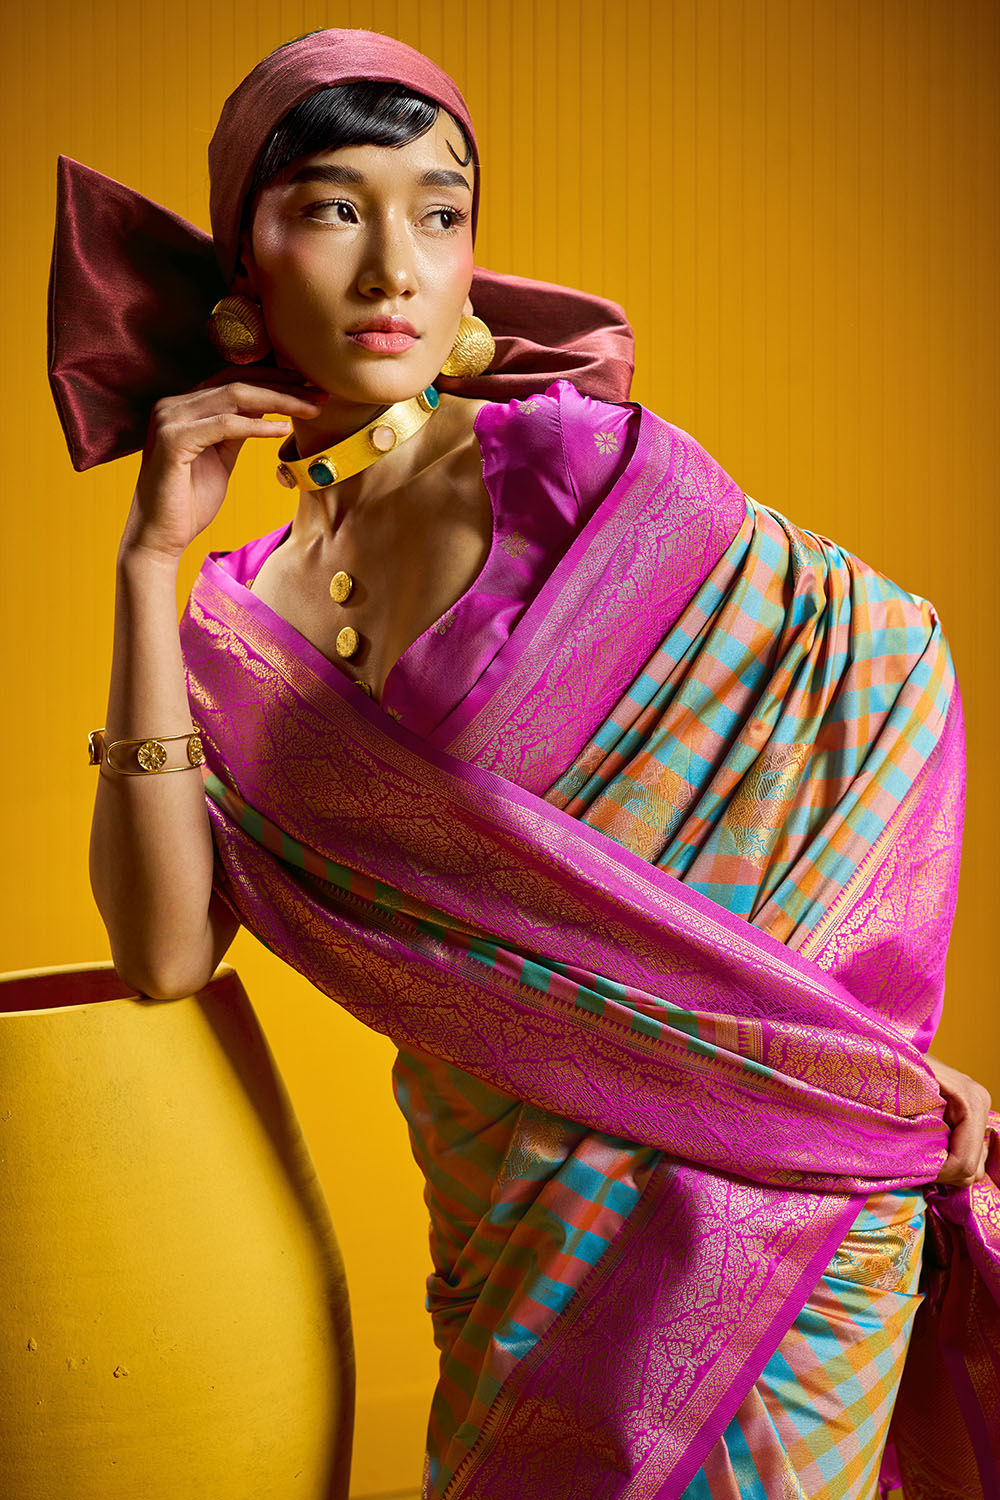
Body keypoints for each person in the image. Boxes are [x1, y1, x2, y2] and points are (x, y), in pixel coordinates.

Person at [50, 28, 999, 1500]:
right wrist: (146, 567)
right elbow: (164, 951)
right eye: (332, 209)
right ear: (241, 264)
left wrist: (845, 1044)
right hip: (506, 1229)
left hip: (772, 1205)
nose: (394, 269)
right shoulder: (229, 631)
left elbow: (878, 682)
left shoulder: (572, 470)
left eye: (440, 214)